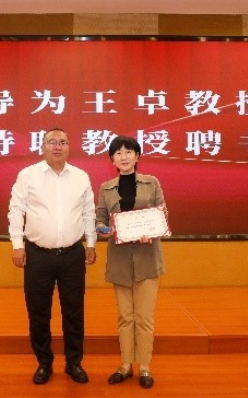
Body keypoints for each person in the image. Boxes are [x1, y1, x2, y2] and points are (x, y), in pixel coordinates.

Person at [8, 127, 98, 385]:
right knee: (38, 313)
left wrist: (91, 242)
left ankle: (74, 362)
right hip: (37, 256)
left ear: (69, 147)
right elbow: (16, 210)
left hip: (72, 255)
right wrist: (17, 244)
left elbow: (89, 213)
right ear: (43, 146)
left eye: (63, 142)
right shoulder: (28, 175)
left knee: (74, 312)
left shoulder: (80, 177)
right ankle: (44, 363)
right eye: (52, 142)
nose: (57, 146)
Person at [95, 135, 166, 389]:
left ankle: (144, 366)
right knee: (125, 317)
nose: (123, 156)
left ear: (137, 156)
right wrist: (104, 230)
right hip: (120, 260)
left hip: (147, 259)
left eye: (128, 152)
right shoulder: (105, 188)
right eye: (118, 153)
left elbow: (162, 214)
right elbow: (99, 220)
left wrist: (153, 232)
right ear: (112, 159)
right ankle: (125, 365)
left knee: (144, 317)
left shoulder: (152, 183)